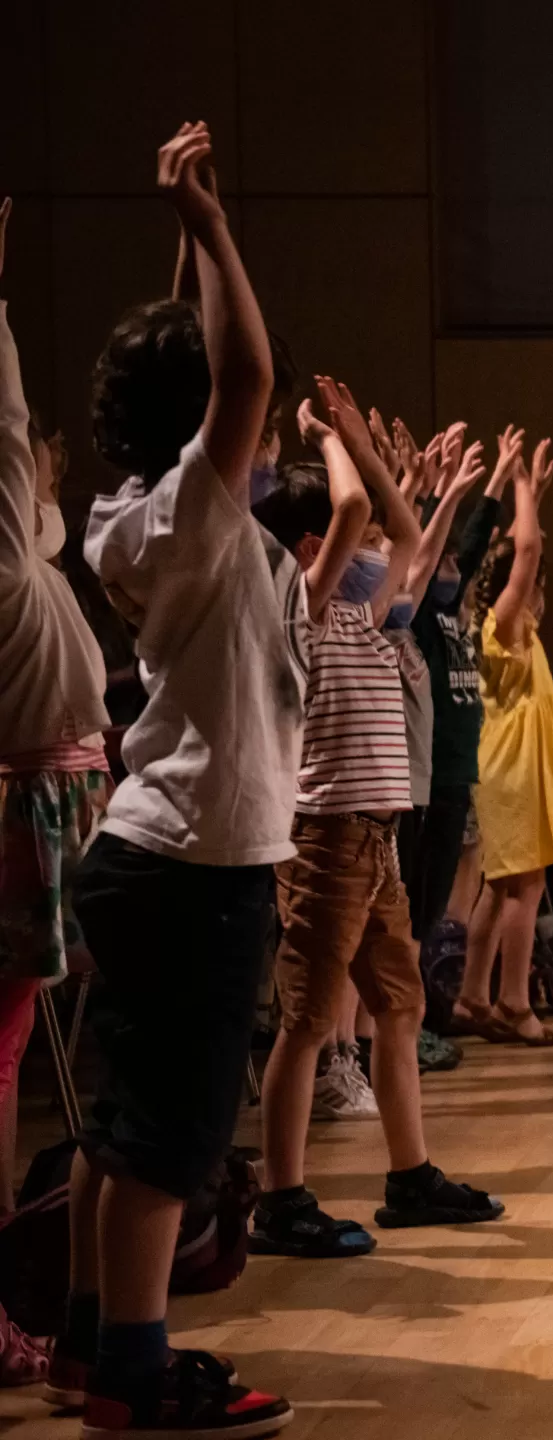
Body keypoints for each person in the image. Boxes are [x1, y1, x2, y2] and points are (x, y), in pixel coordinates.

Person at [58, 121, 293, 1436]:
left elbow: (210, 376)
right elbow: (247, 373)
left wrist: (192, 227)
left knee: (123, 1129)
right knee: (167, 1141)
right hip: (196, 868)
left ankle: (99, 1349)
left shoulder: (135, 518)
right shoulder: (198, 515)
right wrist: (207, 225)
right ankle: (137, 1381)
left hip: (147, 856)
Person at [250, 380, 504, 1260]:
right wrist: (333, 439)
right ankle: (280, 1196)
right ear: (317, 547)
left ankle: (410, 1175)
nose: (373, 555)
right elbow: (359, 505)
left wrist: (356, 438)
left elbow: (402, 531)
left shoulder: (361, 613)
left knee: (399, 1003)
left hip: (378, 838)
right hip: (324, 840)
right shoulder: (302, 609)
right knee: (309, 1021)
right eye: (341, 541)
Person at [0, 193, 113, 1396]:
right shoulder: (8, 564)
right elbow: (7, 420)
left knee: (18, 1038)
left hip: (48, 805)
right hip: (21, 809)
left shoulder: (34, 559)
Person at [456, 436, 553, 1045]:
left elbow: (532, 554)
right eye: (529, 579)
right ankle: (512, 1001)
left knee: (503, 885)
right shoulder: (500, 626)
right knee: (525, 887)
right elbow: (527, 549)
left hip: (512, 771)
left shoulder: (521, 633)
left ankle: (473, 996)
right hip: (511, 773)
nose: (538, 586)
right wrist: (525, 486)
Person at [401, 425, 509, 948]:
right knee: (415, 906)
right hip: (431, 779)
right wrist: (442, 493)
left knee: (430, 911)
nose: (453, 568)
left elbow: (468, 549)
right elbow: (423, 552)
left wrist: (497, 483)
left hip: (456, 778)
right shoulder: (420, 614)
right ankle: (396, 1027)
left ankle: (414, 1020)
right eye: (443, 560)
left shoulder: (448, 610)